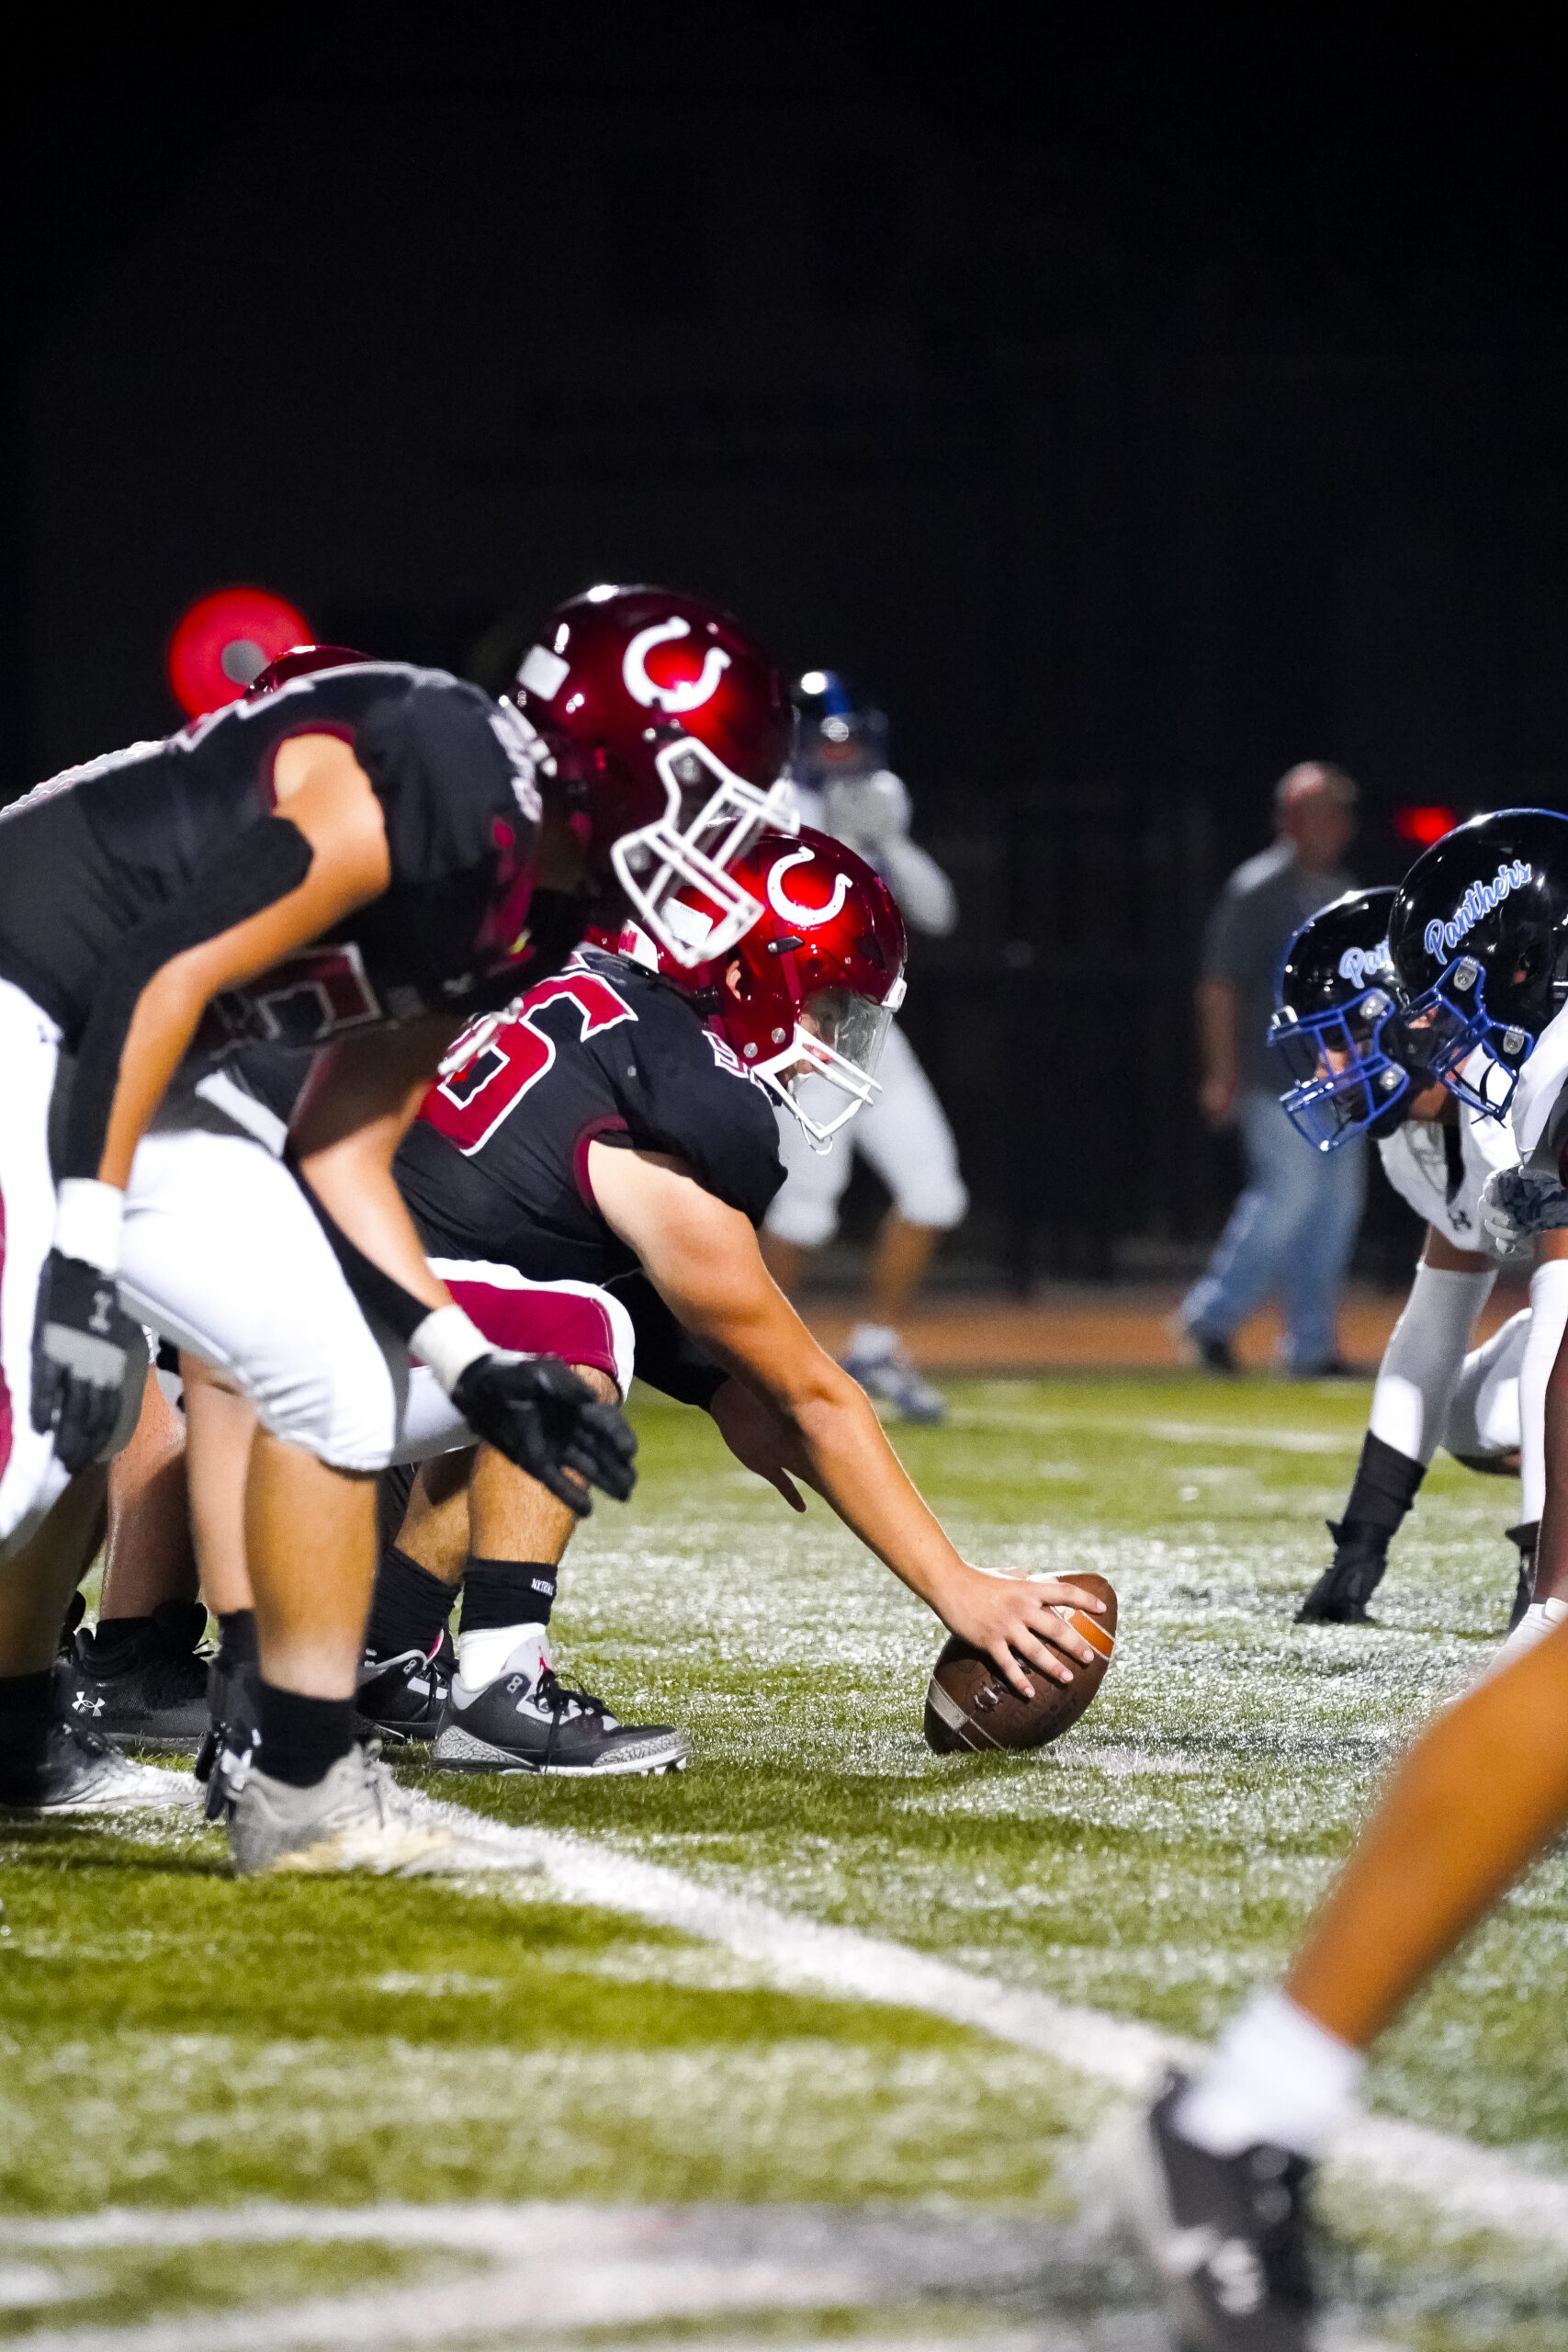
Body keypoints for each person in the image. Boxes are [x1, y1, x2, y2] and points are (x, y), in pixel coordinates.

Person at [0, 591, 794, 1863]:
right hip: (34, 1001)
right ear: (622, 758)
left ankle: (298, 1788)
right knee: (35, 1435)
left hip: (139, 1056)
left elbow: (341, 1145)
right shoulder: (440, 765)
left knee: (329, 1377)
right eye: (705, 793)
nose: (709, 836)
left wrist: (465, 1360)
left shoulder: (526, 905)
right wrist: (85, 1252)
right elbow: (158, 969)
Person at [352, 828, 1108, 1773]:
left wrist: (717, 1390)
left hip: (320, 1287)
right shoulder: (683, 1099)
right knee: (572, 1339)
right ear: (760, 980)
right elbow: (814, 1398)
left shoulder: (597, 999)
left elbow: (532, 1224)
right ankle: (501, 1683)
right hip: (348, 1326)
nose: (835, 1043)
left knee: (530, 1336)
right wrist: (959, 1588)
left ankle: (385, 1655)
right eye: (831, 1007)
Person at [1129, 808, 1568, 2346]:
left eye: (1456, 999)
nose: (1433, 1035)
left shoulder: (1534, 1068)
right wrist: (1425, 1557)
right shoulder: (1482, 1099)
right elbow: (1489, 1323)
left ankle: (1255, 2103)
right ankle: (1259, 2101)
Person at [1266, 888, 1564, 1628]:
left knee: (1544, 1359)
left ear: (1404, 1023)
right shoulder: (1417, 1143)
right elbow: (1429, 1333)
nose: (1328, 1068)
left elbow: (1560, 1312)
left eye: (1338, 1039)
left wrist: (1542, 1565)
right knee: (1476, 1415)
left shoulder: (1519, 1094)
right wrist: (1362, 1544)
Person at [758, 670, 966, 1423]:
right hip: (806, 1026)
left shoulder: (876, 801)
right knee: (806, 1212)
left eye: (853, 741)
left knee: (935, 1192)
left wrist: (889, 840)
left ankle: (875, 1346)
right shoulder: (771, 806)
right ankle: (761, 1363)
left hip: (874, 1023)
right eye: (829, 740)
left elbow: (938, 914)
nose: (843, 755)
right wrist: (843, 836)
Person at [1179, 763, 1365, 1377]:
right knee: (1285, 1199)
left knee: (1333, 1212)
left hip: (1340, 1081)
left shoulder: (1342, 890)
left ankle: (1310, 1346)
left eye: (1337, 812)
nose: (1329, 825)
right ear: (1286, 819)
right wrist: (1219, 1072)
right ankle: (1210, 1320)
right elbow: (1218, 987)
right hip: (1274, 1075)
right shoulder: (1259, 889)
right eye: (1315, 812)